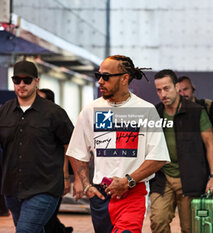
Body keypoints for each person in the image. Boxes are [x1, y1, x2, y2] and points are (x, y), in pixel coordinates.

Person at [67, 55, 170, 233]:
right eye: (98, 75)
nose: (100, 81)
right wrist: (86, 185)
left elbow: (158, 157)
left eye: (106, 76)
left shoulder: (145, 110)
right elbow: (76, 151)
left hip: (133, 193)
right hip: (100, 195)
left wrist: (128, 181)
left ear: (124, 78)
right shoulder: (91, 110)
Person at [0, 60, 74, 233]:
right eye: (17, 80)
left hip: (44, 188)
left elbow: (71, 145)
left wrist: (74, 178)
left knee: (25, 230)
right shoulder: (3, 113)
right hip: (11, 189)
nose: (21, 85)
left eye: (27, 80)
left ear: (37, 81)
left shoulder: (54, 113)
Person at [150, 70, 213, 233]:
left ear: (176, 87)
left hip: (190, 178)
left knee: (190, 228)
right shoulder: (156, 113)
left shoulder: (196, 112)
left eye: (166, 88)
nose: (162, 94)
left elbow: (210, 145)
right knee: (158, 221)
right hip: (162, 178)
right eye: (159, 90)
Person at [176, 76, 213, 175]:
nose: (183, 94)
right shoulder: (173, 111)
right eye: (179, 91)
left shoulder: (208, 106)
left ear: (192, 89)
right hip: (183, 161)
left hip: (207, 158)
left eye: (185, 89)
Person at [38, 88, 74, 233]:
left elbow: (67, 149)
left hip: (54, 177)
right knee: (45, 218)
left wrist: (65, 177)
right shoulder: (31, 120)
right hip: (36, 177)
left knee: (47, 216)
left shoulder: (57, 118)